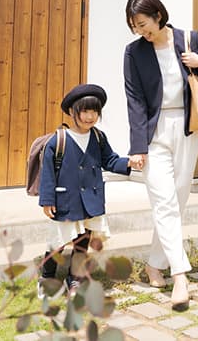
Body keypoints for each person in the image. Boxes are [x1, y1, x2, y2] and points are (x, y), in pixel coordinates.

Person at [123, 0, 198, 310]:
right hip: (155, 133)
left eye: (143, 24)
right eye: (134, 27)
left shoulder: (189, 39)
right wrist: (138, 147)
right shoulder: (134, 52)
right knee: (164, 202)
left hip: (187, 127)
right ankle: (180, 276)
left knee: (177, 200)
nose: (140, 31)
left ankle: (154, 265)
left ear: (158, 15)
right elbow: (135, 101)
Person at [37, 83, 136, 295]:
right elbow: (48, 173)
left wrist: (128, 162)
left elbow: (110, 160)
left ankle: (75, 278)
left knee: (83, 242)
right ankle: (47, 276)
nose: (90, 117)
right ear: (72, 111)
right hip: (66, 201)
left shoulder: (98, 138)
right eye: (85, 111)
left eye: (95, 111)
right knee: (58, 242)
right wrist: (47, 200)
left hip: (91, 199)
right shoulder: (59, 140)